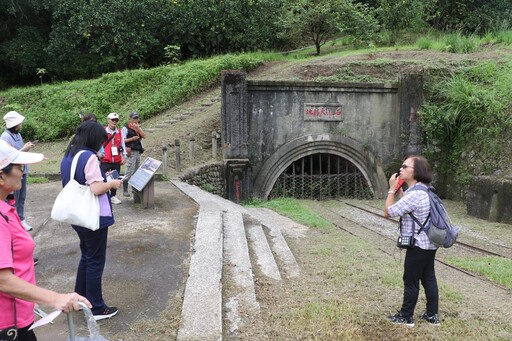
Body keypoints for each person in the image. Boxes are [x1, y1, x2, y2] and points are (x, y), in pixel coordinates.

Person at [0, 140, 91, 341]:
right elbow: (3, 279)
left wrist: (28, 296)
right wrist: (56, 298)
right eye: (19, 167)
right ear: (1, 176)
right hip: (8, 329)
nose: (23, 172)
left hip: (18, 319)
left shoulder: (6, 210)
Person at [61, 121, 123, 321]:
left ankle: (79, 298)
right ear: (94, 139)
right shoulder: (89, 157)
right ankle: (97, 307)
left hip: (77, 216)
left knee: (86, 257)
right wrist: (112, 183)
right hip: (93, 217)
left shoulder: (69, 155)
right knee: (95, 260)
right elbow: (96, 189)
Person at [384, 155, 440, 327]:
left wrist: (391, 190)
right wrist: (402, 193)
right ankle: (432, 315)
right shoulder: (425, 190)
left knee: (410, 280)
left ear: (416, 172)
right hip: (429, 243)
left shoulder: (415, 195)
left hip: (417, 245)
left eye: (405, 167)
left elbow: (389, 212)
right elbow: (409, 206)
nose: (401, 169)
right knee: (428, 277)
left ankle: (406, 316)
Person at [1, 111, 36, 231]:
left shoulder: (18, 135)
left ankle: (21, 219)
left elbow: (19, 152)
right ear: (15, 124)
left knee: (22, 197)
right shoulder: (5, 137)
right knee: (12, 198)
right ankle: (13, 222)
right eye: (20, 123)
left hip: (22, 170)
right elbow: (9, 156)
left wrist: (27, 147)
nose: (21, 125)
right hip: (12, 172)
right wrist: (24, 149)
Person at [100, 113, 126, 204]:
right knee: (102, 177)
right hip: (105, 159)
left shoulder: (119, 131)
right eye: (112, 120)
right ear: (108, 120)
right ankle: (103, 195)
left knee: (115, 177)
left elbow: (122, 144)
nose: (114, 122)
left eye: (116, 120)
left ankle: (113, 195)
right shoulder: (103, 131)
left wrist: (124, 155)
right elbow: (99, 143)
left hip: (116, 159)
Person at [121, 112, 146, 197]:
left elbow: (144, 136)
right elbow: (123, 140)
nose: (135, 120)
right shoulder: (125, 128)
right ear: (130, 119)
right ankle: (125, 190)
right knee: (129, 170)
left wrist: (138, 129)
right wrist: (132, 138)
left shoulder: (138, 127)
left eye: (137, 118)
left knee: (136, 170)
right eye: (134, 118)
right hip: (130, 151)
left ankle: (135, 190)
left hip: (138, 151)